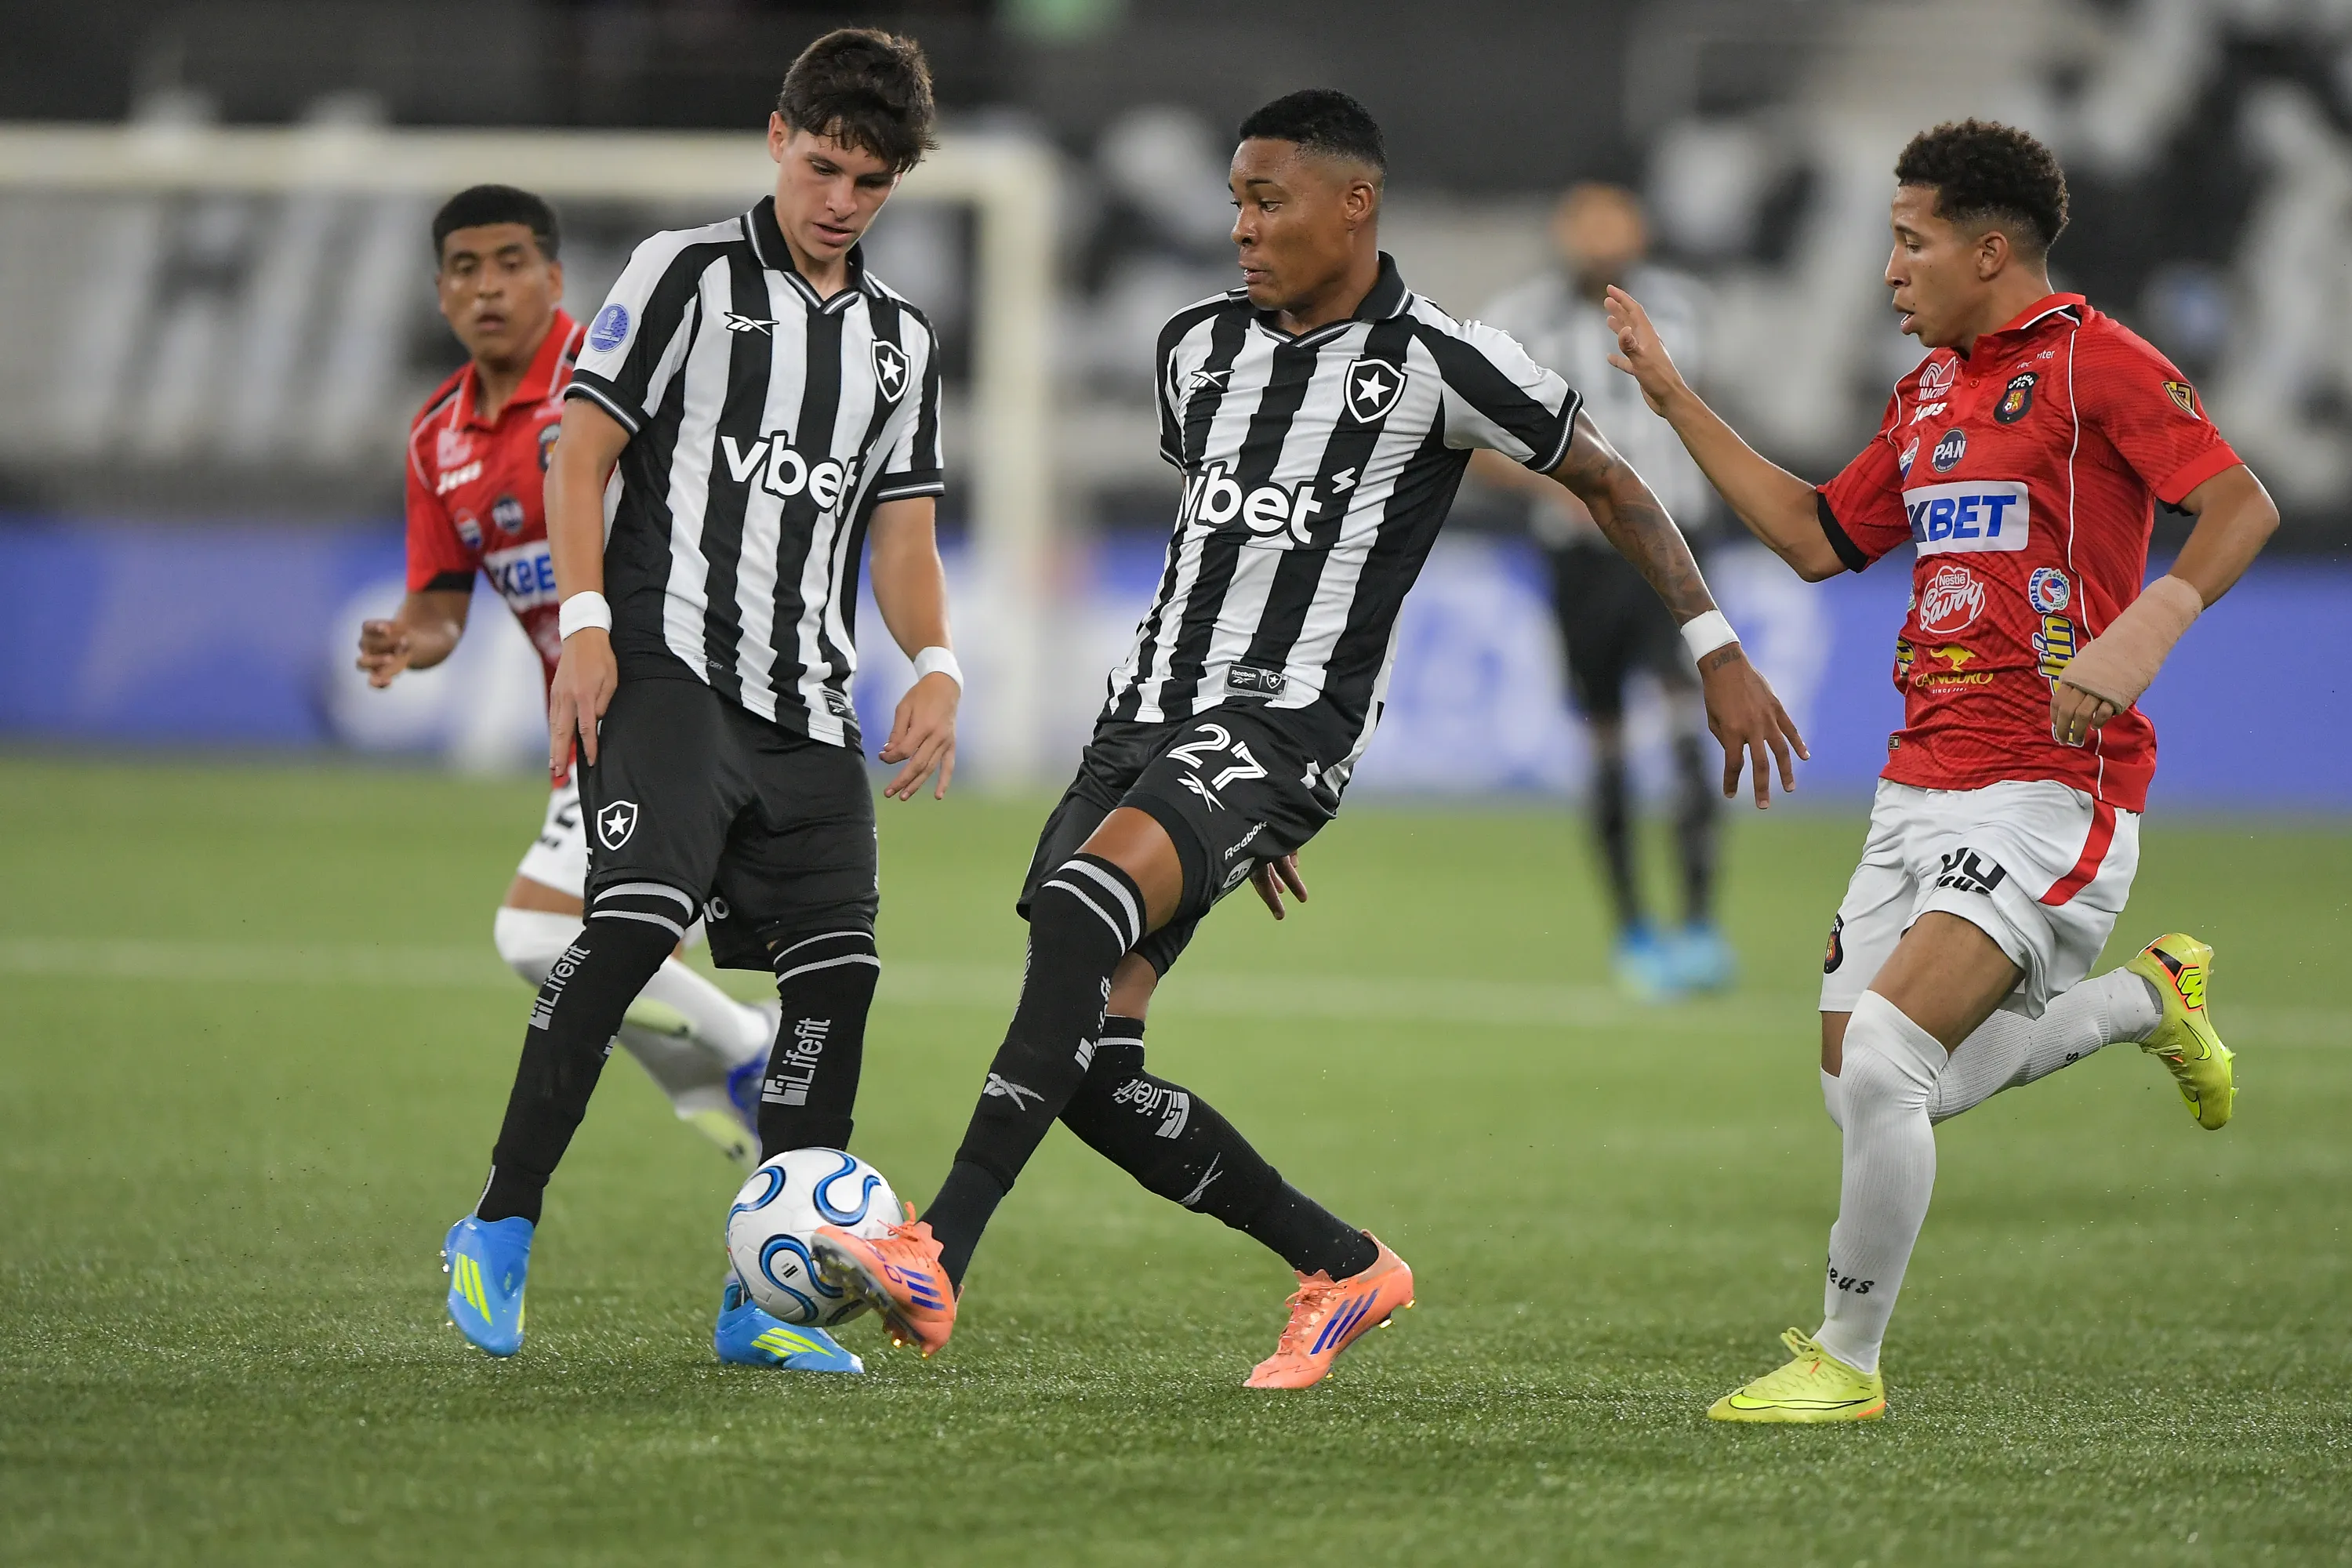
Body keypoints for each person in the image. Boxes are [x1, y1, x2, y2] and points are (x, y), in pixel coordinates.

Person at [811, 89, 1806, 1388]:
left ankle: (939, 1244)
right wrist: (1206, 823)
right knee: (1096, 1067)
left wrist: (1716, 646)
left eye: (1267, 200)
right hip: (1145, 729)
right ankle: (1341, 1264)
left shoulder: (1449, 362)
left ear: (1355, 205)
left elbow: (1614, 484)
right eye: (1233, 199)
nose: (1241, 226)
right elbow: (1226, 542)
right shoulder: (1195, 350)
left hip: (1282, 727)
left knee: (1078, 912)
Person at [1606, 119, 2270, 1421]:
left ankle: (1844, 1365)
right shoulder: (1924, 397)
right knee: (1864, 1079)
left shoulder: (2100, 363)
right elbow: (1812, 535)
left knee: (1888, 1063)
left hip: (2052, 784)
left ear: (1991, 246)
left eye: (1911, 243)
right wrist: (1675, 400)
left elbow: (2240, 503)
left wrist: (2148, 629)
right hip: (1919, 785)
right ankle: (2152, 1000)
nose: (1892, 270)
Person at [437, 29, 960, 1377]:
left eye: (872, 181)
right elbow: (584, 458)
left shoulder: (901, 345)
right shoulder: (680, 275)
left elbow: (900, 538)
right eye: (826, 165)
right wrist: (590, 631)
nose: (842, 198)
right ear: (781, 138)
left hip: (807, 706)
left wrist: (940, 667)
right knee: (622, 937)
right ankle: (498, 1223)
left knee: (836, 988)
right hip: (669, 671)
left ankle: (757, 1311)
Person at [361, 185, 782, 1175]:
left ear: (553, 278)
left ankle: (746, 1055)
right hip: (592, 722)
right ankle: (761, 1132)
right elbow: (441, 605)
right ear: (441, 294)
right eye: (467, 269)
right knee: (614, 953)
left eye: (512, 263)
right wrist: (408, 640)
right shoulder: (438, 440)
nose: (490, 286)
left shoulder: (619, 369)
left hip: (684, 691)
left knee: (537, 933)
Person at [1472, 183, 1730, 997]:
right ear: (1564, 230)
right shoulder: (1520, 319)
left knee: (1689, 718)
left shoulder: (1686, 312)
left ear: (1638, 227)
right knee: (1608, 736)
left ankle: (1698, 923)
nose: (1600, 235)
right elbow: (1470, 434)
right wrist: (1553, 490)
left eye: (1614, 218)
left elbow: (1716, 418)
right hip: (1584, 560)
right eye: (1586, 220)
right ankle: (1634, 929)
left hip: (1677, 545)